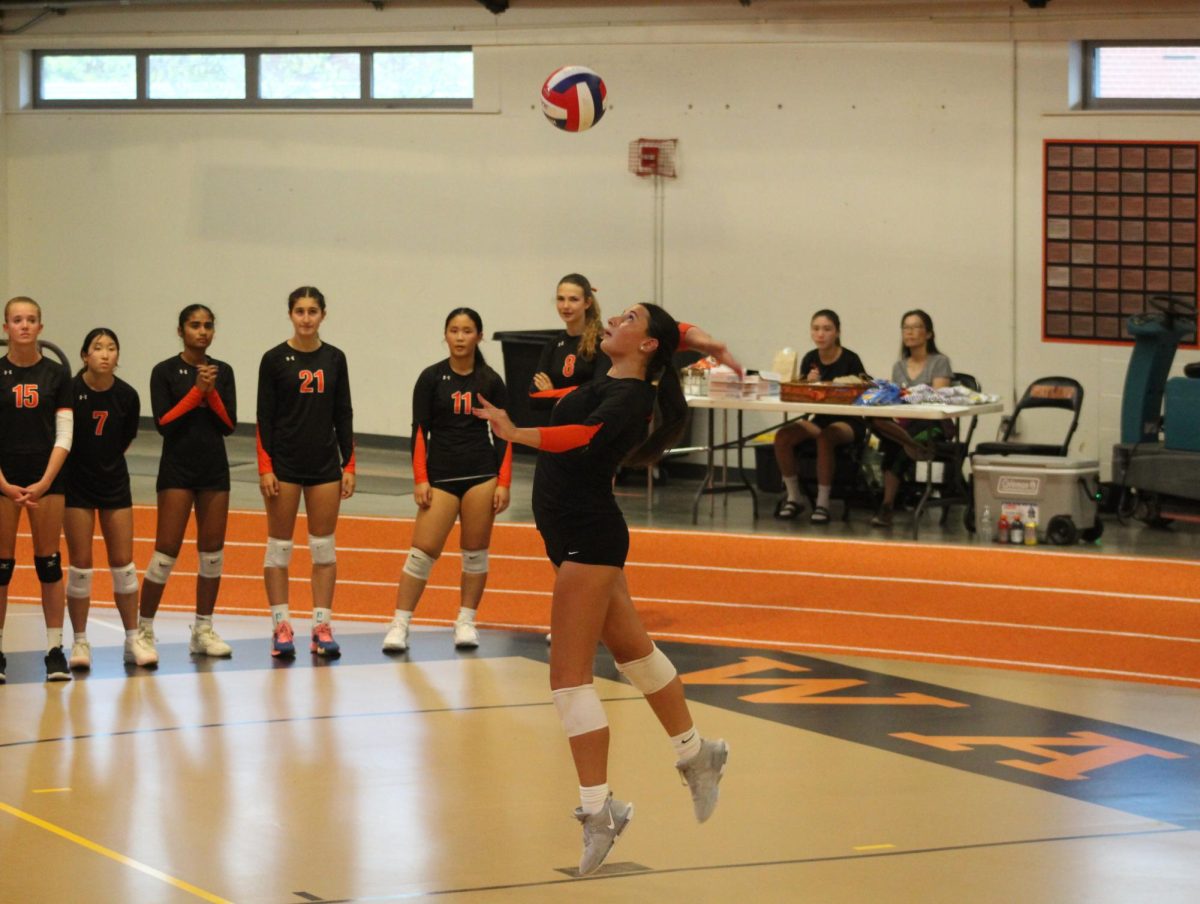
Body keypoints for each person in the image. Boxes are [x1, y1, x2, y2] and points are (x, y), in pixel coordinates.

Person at [473, 302, 730, 877]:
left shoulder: (630, 399)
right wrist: (704, 342)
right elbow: (675, 331)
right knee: (635, 653)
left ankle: (600, 811)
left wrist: (517, 431)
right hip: (573, 534)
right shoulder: (608, 377)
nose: (615, 316)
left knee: (568, 681)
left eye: (630, 317)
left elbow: (581, 436)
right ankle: (697, 753)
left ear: (647, 346)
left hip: (588, 538)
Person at [384, 307, 511, 654]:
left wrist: (503, 482)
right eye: (453, 330)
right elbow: (419, 431)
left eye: (467, 331)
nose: (459, 337)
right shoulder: (431, 378)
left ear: (479, 336)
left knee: (474, 553)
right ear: (445, 335)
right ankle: (400, 623)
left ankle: (465, 621)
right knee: (421, 553)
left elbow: (503, 434)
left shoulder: (490, 381)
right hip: (440, 477)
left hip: (480, 476)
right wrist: (420, 479)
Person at [257, 286, 355, 659]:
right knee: (279, 550)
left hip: (324, 466)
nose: (306, 318)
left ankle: (321, 625)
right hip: (283, 466)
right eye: (300, 311)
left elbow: (343, 412)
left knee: (323, 549)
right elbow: (264, 417)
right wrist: (266, 467)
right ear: (290, 315)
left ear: (323, 315)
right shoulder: (274, 359)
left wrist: (349, 463)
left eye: (313, 311)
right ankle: (281, 625)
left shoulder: (334, 358)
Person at [138, 304, 237, 666]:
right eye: (195, 325)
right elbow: (164, 422)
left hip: (214, 471)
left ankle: (203, 629)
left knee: (212, 552)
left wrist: (211, 392)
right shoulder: (164, 371)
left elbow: (228, 424)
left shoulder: (222, 371)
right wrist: (198, 392)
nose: (202, 331)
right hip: (177, 470)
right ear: (181, 330)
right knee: (166, 551)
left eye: (208, 325)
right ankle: (143, 630)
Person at [63, 328, 149, 669]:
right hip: (76, 486)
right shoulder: (69, 390)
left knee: (124, 566)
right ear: (85, 355)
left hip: (114, 484)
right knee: (81, 567)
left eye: (111, 348)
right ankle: (80, 643)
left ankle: (132, 639)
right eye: (97, 348)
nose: (104, 354)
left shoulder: (127, 395)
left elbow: (125, 437)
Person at [0, 297, 73, 682]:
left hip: (47, 479)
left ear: (41, 328)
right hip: (3, 480)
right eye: (17, 320)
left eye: (31, 320)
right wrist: (3, 483)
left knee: (48, 564)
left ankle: (54, 649)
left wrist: (45, 481)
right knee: (2, 567)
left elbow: (65, 434)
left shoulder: (57, 375)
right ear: (5, 327)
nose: (24, 326)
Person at [772, 309, 867, 524]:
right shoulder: (810, 358)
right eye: (816, 329)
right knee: (783, 436)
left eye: (827, 329)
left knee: (826, 437)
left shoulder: (851, 359)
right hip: (820, 419)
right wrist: (807, 383)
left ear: (837, 332)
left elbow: (862, 391)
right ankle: (794, 497)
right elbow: (803, 395)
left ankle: (823, 502)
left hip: (849, 421)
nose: (821, 334)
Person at [869, 308, 953, 528]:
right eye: (906, 327)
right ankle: (911, 444)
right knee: (874, 421)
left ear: (929, 334)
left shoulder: (940, 361)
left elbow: (937, 398)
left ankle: (887, 505)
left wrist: (906, 397)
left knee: (893, 445)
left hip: (932, 424)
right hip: (905, 423)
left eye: (916, 327)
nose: (910, 332)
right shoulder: (899, 366)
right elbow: (897, 401)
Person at [529, 273, 609, 409]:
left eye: (573, 299)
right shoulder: (552, 345)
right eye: (561, 299)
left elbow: (597, 395)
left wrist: (551, 393)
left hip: (587, 425)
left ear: (587, 303)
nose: (565, 306)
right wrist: (574, 393)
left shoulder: (602, 343)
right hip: (556, 424)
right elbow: (534, 398)